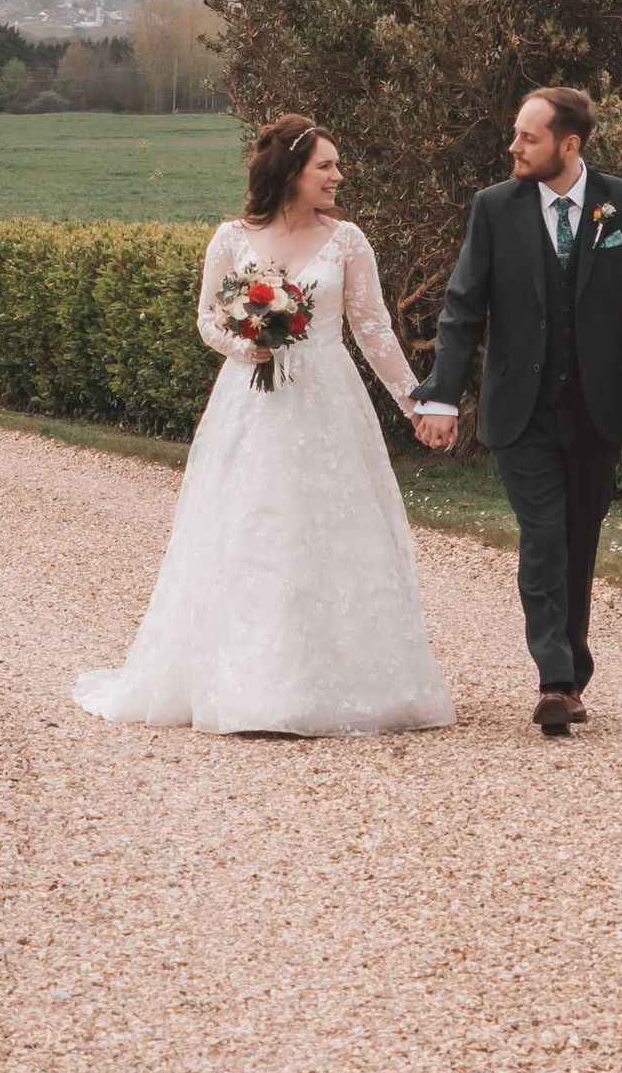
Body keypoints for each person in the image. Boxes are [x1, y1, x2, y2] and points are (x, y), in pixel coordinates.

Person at [74, 113, 455, 737]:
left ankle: (350, 682)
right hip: (253, 404)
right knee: (254, 526)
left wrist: (415, 401)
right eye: (325, 166)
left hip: (330, 401)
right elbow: (207, 319)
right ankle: (254, 685)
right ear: (291, 173)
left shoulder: (349, 240)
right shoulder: (232, 238)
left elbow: (373, 328)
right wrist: (241, 343)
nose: (338, 175)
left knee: (335, 527)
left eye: (336, 165)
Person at [412, 87, 622, 737]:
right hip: (520, 409)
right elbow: (462, 310)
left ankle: (572, 670)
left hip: (599, 409)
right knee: (543, 534)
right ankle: (554, 679)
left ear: (569, 144)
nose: (513, 147)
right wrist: (443, 395)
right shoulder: (494, 209)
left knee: (577, 539)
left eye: (528, 138)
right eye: (515, 134)